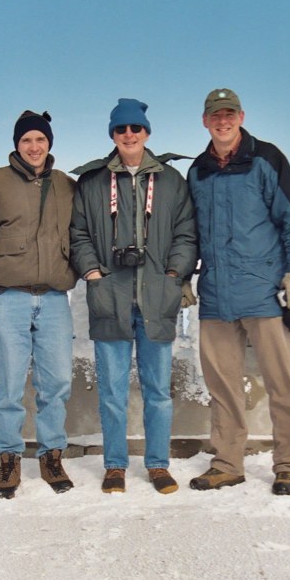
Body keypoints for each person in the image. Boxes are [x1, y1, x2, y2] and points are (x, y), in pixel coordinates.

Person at [187, 88, 290, 496]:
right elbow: (189, 234)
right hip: (216, 298)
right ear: (205, 121)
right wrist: (180, 277)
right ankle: (227, 463)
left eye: (229, 114)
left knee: (282, 386)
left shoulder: (266, 159)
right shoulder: (198, 171)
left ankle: (288, 464)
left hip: (263, 296)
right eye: (214, 116)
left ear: (241, 116)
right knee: (222, 389)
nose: (222, 122)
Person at [70, 98, 197, 494]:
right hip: (110, 296)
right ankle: (115, 465)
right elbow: (78, 234)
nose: (129, 135)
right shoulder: (91, 182)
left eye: (135, 129)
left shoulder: (172, 181)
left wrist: (174, 273)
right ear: (112, 134)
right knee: (112, 390)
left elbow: (186, 233)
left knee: (158, 389)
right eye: (121, 129)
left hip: (156, 297)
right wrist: (92, 271)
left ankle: (158, 463)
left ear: (147, 133)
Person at [0, 109, 77, 498]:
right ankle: (8, 458)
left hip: (55, 299)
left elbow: (85, 236)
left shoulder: (67, 186)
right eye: (27, 140)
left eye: (40, 139)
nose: (34, 146)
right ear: (16, 145)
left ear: (49, 143)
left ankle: (52, 454)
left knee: (57, 382)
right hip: (8, 299)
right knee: (7, 385)